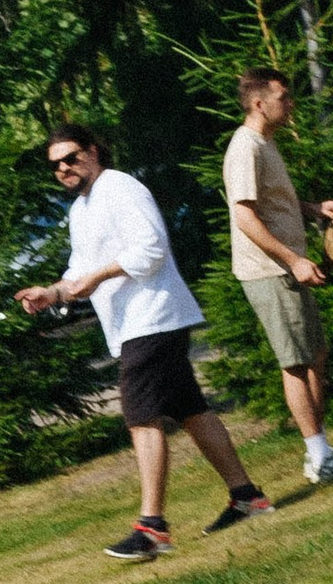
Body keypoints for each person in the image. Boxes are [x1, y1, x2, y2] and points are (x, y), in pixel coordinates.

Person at [17, 126, 271, 560]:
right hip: (139, 324)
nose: (64, 168)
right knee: (191, 410)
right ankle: (247, 497)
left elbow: (151, 249)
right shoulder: (82, 208)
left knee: (141, 417)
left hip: (152, 318)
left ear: (93, 151)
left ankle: (152, 528)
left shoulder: (120, 187)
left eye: (72, 157)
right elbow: (80, 270)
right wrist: (53, 292)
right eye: (56, 164)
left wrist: (97, 277)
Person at [221, 75, 333, 488]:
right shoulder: (245, 148)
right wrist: (293, 261)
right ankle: (319, 457)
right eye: (283, 98)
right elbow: (245, 218)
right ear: (257, 103)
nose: (291, 105)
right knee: (297, 363)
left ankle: (321, 451)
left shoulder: (266, 144)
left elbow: (271, 204)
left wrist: (312, 209)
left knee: (314, 355)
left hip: (285, 268)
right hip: (271, 271)